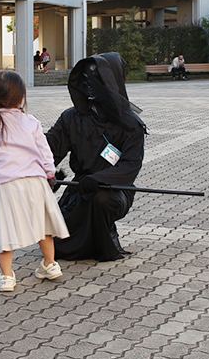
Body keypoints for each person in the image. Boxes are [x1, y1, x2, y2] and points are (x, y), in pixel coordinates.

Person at [0, 70, 69, 292]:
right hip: (35, 180)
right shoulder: (30, 121)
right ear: (22, 97)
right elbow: (44, 151)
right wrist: (50, 174)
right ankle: (50, 264)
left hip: (7, 184)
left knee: (8, 230)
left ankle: (6, 276)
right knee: (43, 225)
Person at [46, 52, 146, 262]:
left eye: (97, 79)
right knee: (56, 241)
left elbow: (130, 166)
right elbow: (50, 148)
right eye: (87, 79)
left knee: (101, 199)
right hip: (80, 188)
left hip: (114, 190)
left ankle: (103, 244)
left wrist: (100, 180)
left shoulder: (130, 125)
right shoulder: (71, 118)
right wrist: (43, 169)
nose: (90, 86)